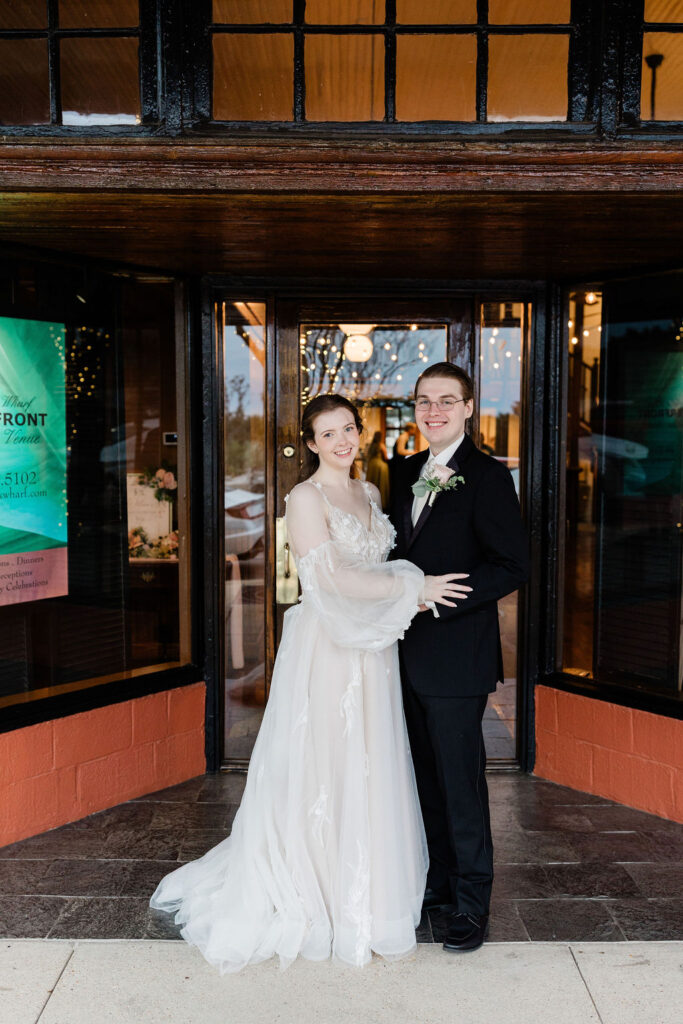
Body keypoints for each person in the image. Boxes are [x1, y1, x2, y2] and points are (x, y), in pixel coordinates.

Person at [150, 393, 466, 973]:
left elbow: (371, 568)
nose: (343, 441)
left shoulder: (370, 491)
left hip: (372, 647)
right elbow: (332, 576)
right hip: (328, 648)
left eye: (349, 428)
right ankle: (315, 887)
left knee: (370, 761)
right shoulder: (304, 496)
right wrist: (414, 588)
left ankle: (365, 887)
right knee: (326, 760)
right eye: (328, 434)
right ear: (311, 443)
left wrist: (402, 590)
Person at [390, 362, 529, 954]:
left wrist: (444, 597)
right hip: (400, 655)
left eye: (448, 401)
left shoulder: (489, 476)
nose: (435, 411)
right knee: (424, 780)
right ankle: (439, 886)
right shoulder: (400, 472)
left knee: (462, 784)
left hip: (456, 658)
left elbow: (511, 565)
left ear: (469, 408)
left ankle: (473, 903)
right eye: (425, 401)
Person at [365, 430, 390, 509]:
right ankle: (381, 502)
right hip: (379, 466)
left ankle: (369, 500)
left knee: (372, 482)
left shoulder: (371, 445)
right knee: (381, 485)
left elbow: (367, 456)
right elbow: (386, 457)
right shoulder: (381, 445)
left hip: (372, 465)